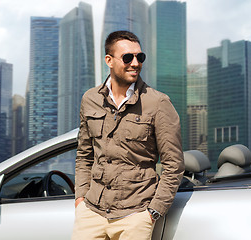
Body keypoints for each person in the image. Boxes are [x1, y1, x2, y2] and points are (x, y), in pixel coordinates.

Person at [72, 30, 184, 240]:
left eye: (139, 57)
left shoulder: (158, 103)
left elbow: (173, 164)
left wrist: (152, 212)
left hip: (135, 215)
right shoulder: (90, 99)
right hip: (91, 212)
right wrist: (80, 199)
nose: (135, 63)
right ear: (109, 60)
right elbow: (84, 155)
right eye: (127, 57)